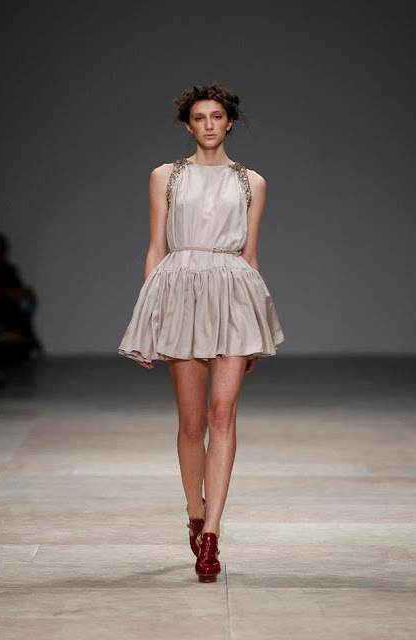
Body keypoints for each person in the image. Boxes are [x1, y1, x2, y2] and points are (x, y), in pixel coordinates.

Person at [118, 82, 285, 582]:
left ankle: (211, 534)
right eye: (199, 117)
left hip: (233, 295)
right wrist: (147, 321)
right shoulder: (165, 176)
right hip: (181, 293)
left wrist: (255, 326)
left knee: (222, 414)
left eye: (216, 116)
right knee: (192, 423)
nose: (208, 125)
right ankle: (195, 512)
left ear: (229, 122)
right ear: (188, 125)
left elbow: (250, 255)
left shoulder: (251, 182)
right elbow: (156, 249)